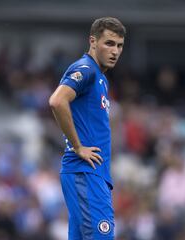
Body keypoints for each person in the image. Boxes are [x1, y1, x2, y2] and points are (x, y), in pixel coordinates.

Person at [49, 17, 125, 239]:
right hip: (86, 172)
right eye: (109, 43)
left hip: (91, 174)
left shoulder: (100, 78)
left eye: (119, 45)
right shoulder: (86, 69)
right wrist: (78, 146)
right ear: (93, 41)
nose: (115, 51)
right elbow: (57, 101)